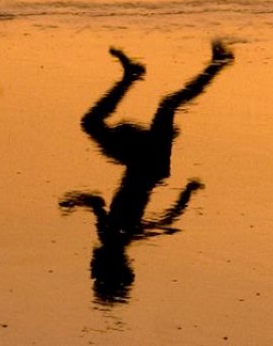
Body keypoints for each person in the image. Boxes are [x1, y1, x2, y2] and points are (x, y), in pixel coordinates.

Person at [60, 41, 233, 304]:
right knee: (164, 106)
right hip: (149, 162)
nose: (91, 265)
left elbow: (97, 202)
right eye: (95, 270)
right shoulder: (121, 235)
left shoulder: (111, 235)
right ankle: (216, 64)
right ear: (111, 266)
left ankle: (131, 76)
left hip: (141, 161)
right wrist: (187, 193)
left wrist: (75, 201)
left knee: (96, 122)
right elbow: (165, 220)